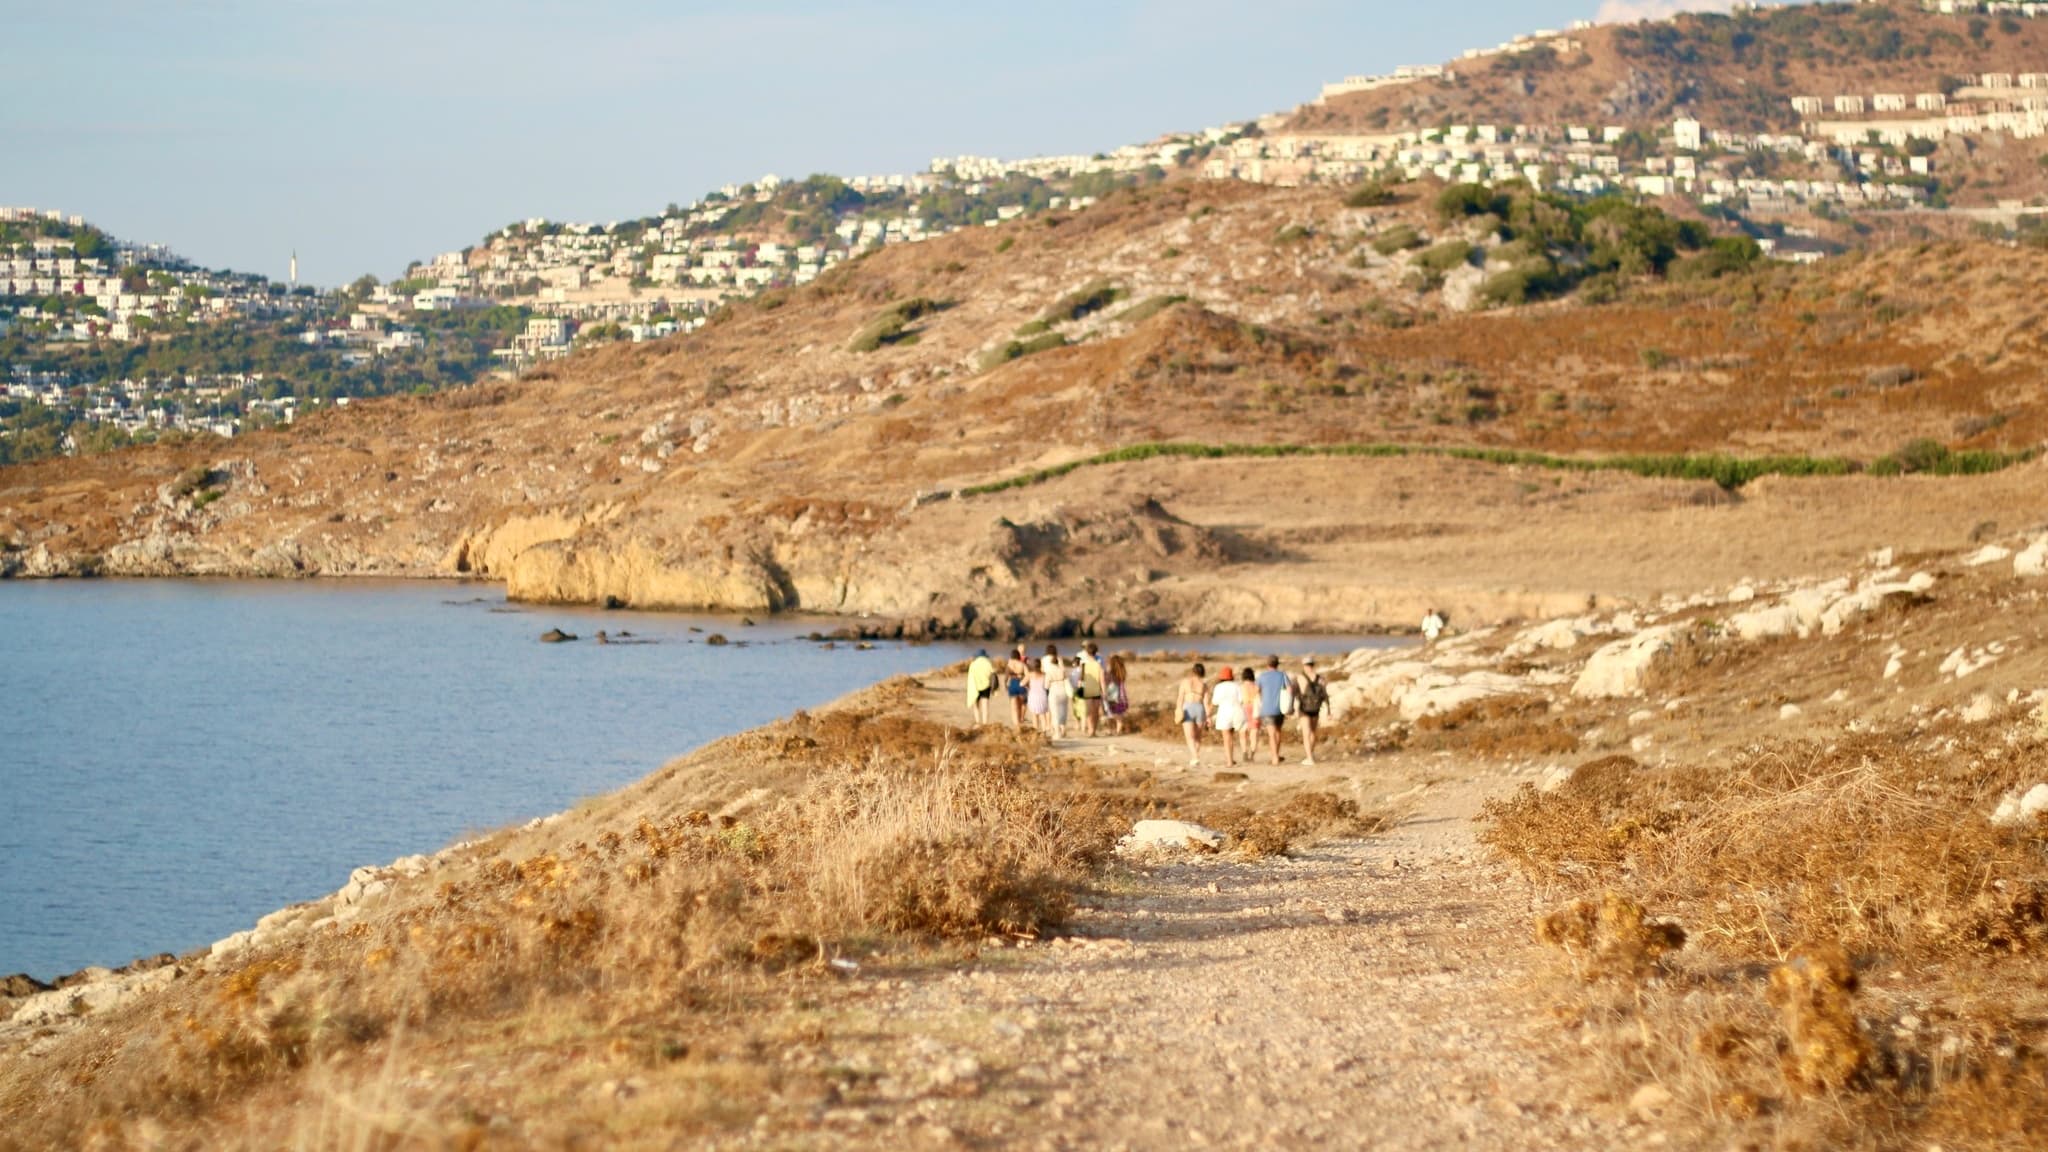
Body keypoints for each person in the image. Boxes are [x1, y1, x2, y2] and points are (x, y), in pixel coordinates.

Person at [1254, 655, 1290, 766]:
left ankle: (1274, 758)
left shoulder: (1262, 677)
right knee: (1278, 732)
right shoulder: (1282, 675)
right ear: (1277, 664)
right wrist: (1289, 704)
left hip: (1266, 709)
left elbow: (1256, 691)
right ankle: (1276, 754)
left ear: (1267, 664)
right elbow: (1290, 689)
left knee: (1271, 734)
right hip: (1280, 708)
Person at [1293, 656, 1329, 766]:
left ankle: (1309, 758)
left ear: (1304, 665)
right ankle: (1311, 754)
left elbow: (1294, 694)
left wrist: (1293, 709)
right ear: (1313, 665)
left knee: (1306, 733)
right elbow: (1325, 695)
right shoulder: (1320, 678)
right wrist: (1329, 710)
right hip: (1316, 708)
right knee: (1313, 732)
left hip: (1304, 709)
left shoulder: (1300, 678)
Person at [1210, 667, 1244, 769]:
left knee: (1226, 738)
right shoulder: (1237, 686)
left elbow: (1215, 702)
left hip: (1224, 713)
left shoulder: (1218, 687)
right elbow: (1241, 700)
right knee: (1231, 737)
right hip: (1236, 711)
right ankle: (1231, 759)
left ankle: (1229, 761)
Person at [1176, 662, 1208, 767]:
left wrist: (1178, 709)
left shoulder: (1185, 682)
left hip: (1188, 708)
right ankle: (1195, 758)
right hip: (1200, 708)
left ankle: (1195, 757)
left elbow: (1180, 698)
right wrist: (1208, 717)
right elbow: (1206, 703)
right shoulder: (1204, 685)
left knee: (1189, 737)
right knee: (1198, 736)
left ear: (1193, 671)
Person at [1078, 642, 1106, 737]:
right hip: (1097, 689)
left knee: (1089, 711)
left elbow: (1080, 679)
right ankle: (1093, 730)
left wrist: (1079, 690)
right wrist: (1104, 692)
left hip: (1088, 689)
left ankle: (1090, 729)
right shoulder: (1099, 665)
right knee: (1096, 711)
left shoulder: (1084, 665)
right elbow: (1102, 680)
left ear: (1087, 652)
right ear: (1096, 652)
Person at [966, 650, 996, 726]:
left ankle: (977, 722)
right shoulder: (988, 663)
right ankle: (985, 723)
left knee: (976, 705)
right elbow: (993, 675)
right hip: (986, 687)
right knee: (985, 706)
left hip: (975, 687)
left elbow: (970, 677)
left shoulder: (973, 664)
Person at [1004, 646, 1031, 730]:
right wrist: (1025, 683)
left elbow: (1006, 677)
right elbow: (1028, 675)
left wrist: (1005, 685)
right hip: (1020, 684)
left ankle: (1016, 725)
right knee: (1021, 704)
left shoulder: (1009, 664)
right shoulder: (1022, 664)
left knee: (1014, 707)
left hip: (1012, 684)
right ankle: (1020, 721)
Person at [1047, 655, 1074, 740]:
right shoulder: (1062, 670)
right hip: (1063, 691)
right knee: (1063, 711)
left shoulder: (1049, 671)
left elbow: (1046, 685)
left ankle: (1057, 732)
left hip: (1054, 691)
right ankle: (1063, 730)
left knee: (1055, 713)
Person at [1105, 653, 1130, 736]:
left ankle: (1110, 730)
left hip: (1111, 697)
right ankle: (1118, 730)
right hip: (1120, 697)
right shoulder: (1121, 673)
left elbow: (1106, 682)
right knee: (1118, 715)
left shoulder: (1110, 674)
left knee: (1110, 714)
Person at [1026, 658, 1050, 733]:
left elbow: (1021, 683)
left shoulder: (1030, 675)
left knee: (1034, 716)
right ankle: (1044, 732)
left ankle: (1035, 732)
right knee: (1042, 715)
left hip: (1033, 696)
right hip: (1042, 695)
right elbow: (1047, 685)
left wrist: (1028, 687)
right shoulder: (1044, 674)